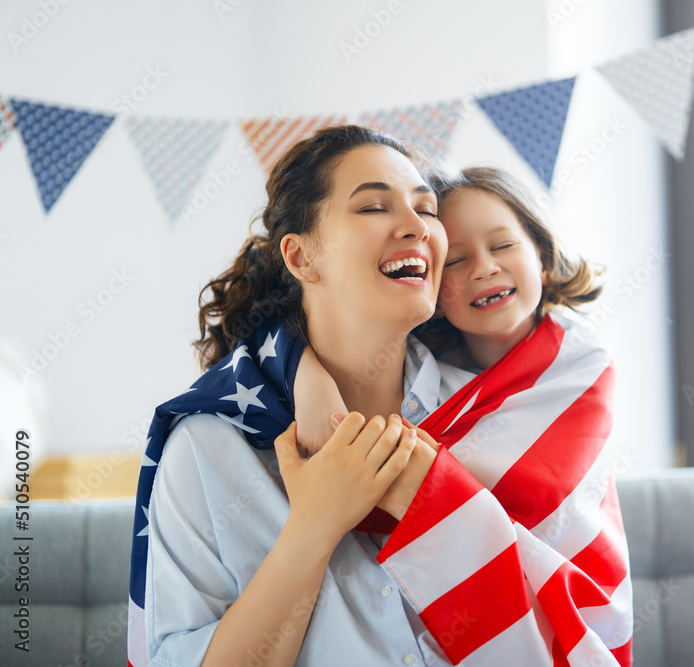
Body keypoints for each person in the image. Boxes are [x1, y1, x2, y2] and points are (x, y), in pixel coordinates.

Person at [128, 127, 632, 667]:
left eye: (426, 208)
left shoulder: (500, 424)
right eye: (373, 206)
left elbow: (563, 630)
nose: (417, 226)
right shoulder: (209, 448)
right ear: (301, 259)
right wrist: (314, 527)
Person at [293, 165, 633, 665]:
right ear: (428, 282)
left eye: (502, 246)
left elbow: (515, 490)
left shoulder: (579, 364)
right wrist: (305, 370)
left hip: (567, 612)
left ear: (540, 255)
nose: (483, 269)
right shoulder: (419, 373)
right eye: (455, 260)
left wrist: (348, 484)